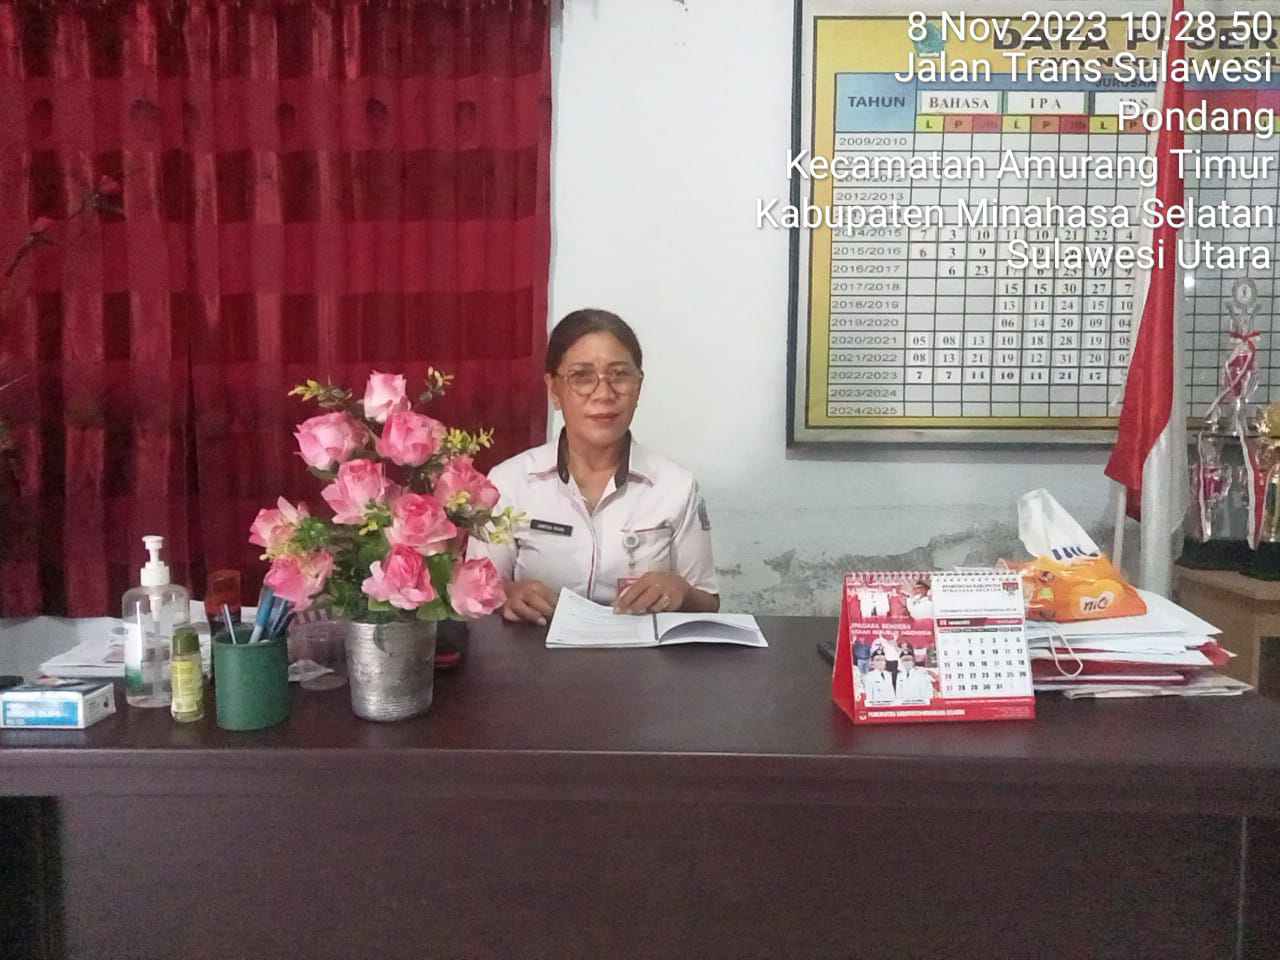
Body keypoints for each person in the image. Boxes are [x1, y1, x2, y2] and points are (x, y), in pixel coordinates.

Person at [467, 309, 720, 625]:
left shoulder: (675, 486)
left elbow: (708, 602)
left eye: (620, 375)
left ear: (638, 387)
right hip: (535, 651)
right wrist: (508, 593)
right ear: (554, 390)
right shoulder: (509, 482)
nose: (604, 394)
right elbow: (474, 595)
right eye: (582, 377)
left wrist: (680, 591)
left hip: (640, 654)